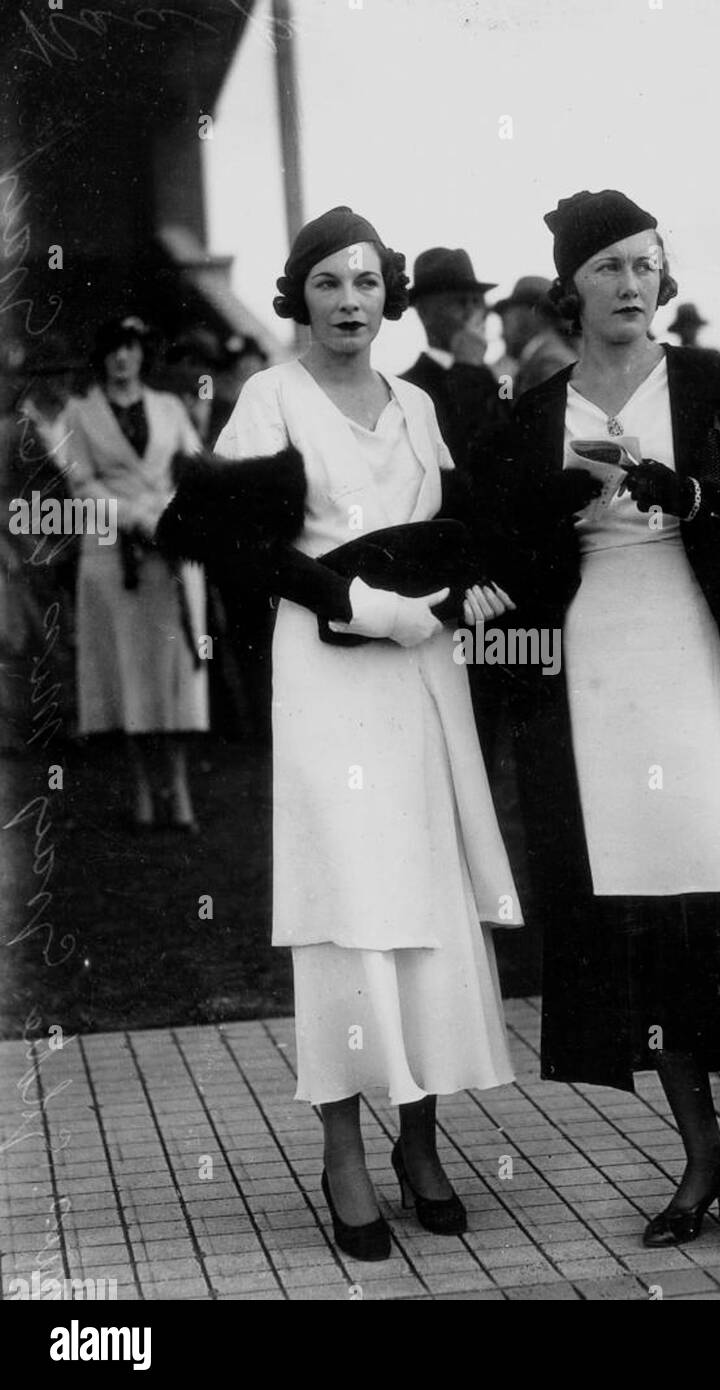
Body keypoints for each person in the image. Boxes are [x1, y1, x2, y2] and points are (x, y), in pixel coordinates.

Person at [478, 189, 720, 1262]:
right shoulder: (533, 418)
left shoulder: (719, 390)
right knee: (637, 923)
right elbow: (500, 558)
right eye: (609, 268)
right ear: (569, 290)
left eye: (646, 266)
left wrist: (693, 496)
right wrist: (556, 511)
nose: (632, 285)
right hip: (592, 689)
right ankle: (697, 1150)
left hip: (695, 677)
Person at [190, 207, 521, 1262]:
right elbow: (240, 545)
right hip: (330, 678)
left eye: (368, 283)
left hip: (422, 679)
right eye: (328, 282)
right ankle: (342, 1154)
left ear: (391, 296)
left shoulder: (418, 404)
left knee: (423, 899)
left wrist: (470, 588)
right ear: (298, 292)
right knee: (347, 908)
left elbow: (454, 525)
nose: (349, 301)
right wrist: (360, 604)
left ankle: (420, 1141)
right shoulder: (268, 398)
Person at [52, 317, 207, 830]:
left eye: (131, 348)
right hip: (113, 554)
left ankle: (180, 789)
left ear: (143, 354)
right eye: (113, 349)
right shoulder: (80, 413)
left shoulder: (168, 408)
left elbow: (195, 468)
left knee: (175, 675)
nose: (123, 359)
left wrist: (170, 513)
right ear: (103, 358)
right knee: (128, 676)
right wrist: (137, 517)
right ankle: (143, 791)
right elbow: (81, 485)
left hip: (170, 555)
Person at [400, 247, 505, 472]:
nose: (472, 313)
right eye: (459, 302)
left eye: (476, 302)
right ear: (425, 313)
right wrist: (466, 366)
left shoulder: (493, 376)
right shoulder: (407, 387)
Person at [493, 275, 577, 398]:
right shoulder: (541, 356)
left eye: (506, 317)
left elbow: (514, 415)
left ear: (531, 313)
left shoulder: (550, 363)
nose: (502, 334)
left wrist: (504, 383)